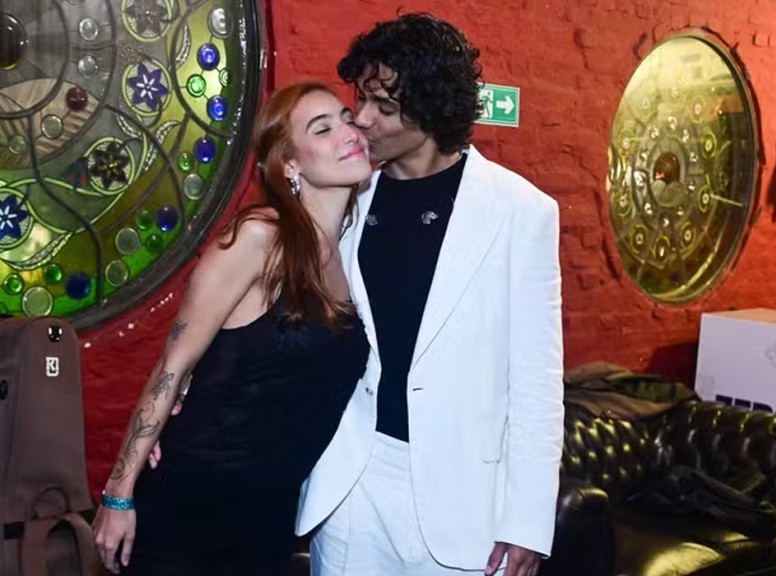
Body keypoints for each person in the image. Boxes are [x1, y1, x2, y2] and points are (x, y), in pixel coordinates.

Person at [295, 13, 565, 576]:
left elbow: (536, 381)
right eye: (361, 97)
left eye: (385, 106)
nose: (362, 119)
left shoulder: (520, 211)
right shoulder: (345, 196)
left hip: (464, 501)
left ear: (434, 110)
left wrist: (527, 521)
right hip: (352, 482)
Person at [91, 81, 372, 576]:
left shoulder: (346, 255)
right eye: (322, 128)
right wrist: (119, 492)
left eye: (347, 119)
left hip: (269, 521)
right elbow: (172, 368)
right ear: (290, 165)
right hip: (191, 510)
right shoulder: (258, 239)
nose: (348, 132)